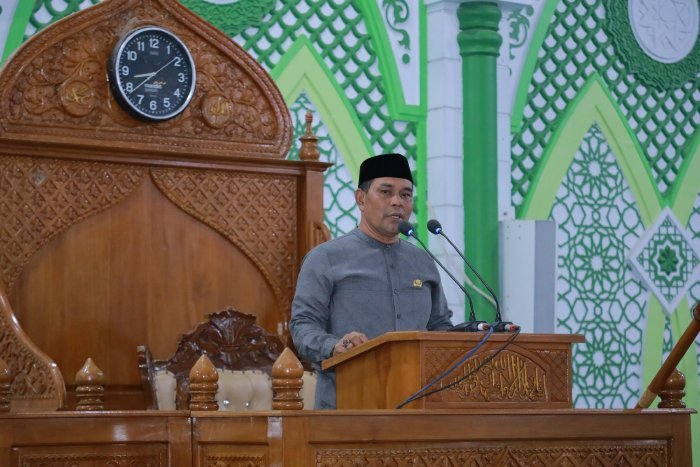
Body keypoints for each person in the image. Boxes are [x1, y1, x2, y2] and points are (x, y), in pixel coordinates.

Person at [289, 153, 453, 409]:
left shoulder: (422, 261)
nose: (397, 202)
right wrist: (334, 346)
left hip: (418, 407)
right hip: (348, 405)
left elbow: (440, 325)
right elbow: (302, 326)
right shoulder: (326, 258)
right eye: (386, 192)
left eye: (406, 195)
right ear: (361, 199)